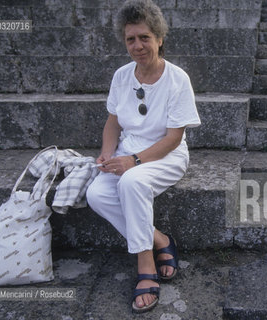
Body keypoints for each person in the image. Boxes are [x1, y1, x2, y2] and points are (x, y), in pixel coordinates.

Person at [85, 0, 201, 314]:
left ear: (160, 39)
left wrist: (133, 161)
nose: (138, 45)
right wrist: (108, 154)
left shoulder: (177, 80)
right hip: (126, 152)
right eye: (131, 39)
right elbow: (113, 121)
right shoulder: (122, 76)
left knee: (132, 183)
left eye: (145, 38)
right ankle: (161, 240)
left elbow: (174, 137)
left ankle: (145, 263)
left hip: (166, 156)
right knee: (95, 193)